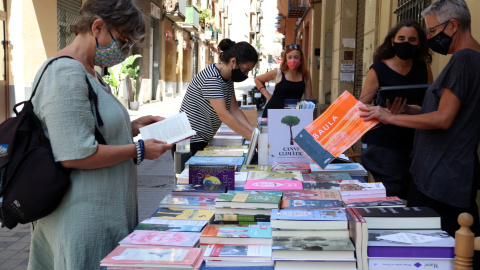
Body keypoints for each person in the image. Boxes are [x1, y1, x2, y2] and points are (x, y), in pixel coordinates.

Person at [27, 1, 172, 269]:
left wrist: (134, 125)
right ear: (97, 27)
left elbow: (91, 128)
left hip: (106, 213)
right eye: (123, 41)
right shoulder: (63, 73)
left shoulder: (91, 73)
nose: (125, 52)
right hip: (82, 218)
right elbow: (74, 152)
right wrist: (138, 150)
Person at [360, 0, 480, 240]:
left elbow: (444, 119)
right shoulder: (474, 57)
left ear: (453, 25)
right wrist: (411, 111)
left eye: (433, 30)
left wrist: (388, 117)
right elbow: (452, 112)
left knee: (431, 247)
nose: (430, 37)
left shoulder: (463, 59)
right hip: (446, 174)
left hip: (440, 179)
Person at [359, 20, 433, 200]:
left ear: (419, 43)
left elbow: (432, 107)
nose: (406, 43)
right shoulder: (378, 69)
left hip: (415, 144)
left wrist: (410, 109)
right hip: (383, 145)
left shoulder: (425, 68)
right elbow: (361, 106)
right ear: (392, 41)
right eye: (401, 38)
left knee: (412, 193)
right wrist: (384, 110)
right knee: (392, 192)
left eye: (412, 39)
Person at [175, 39, 258, 156]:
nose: (246, 75)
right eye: (245, 70)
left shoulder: (227, 78)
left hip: (201, 138)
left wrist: (253, 133)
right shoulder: (212, 78)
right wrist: (251, 136)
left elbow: (234, 110)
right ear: (233, 62)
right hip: (188, 141)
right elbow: (223, 114)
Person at [254, 44, 314, 118]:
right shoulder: (278, 72)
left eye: (296, 57)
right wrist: (267, 95)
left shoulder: (305, 75)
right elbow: (257, 79)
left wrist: (310, 118)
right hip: (273, 113)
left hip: (294, 115)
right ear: (286, 59)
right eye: (290, 57)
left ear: (301, 59)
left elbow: (309, 99)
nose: (293, 60)